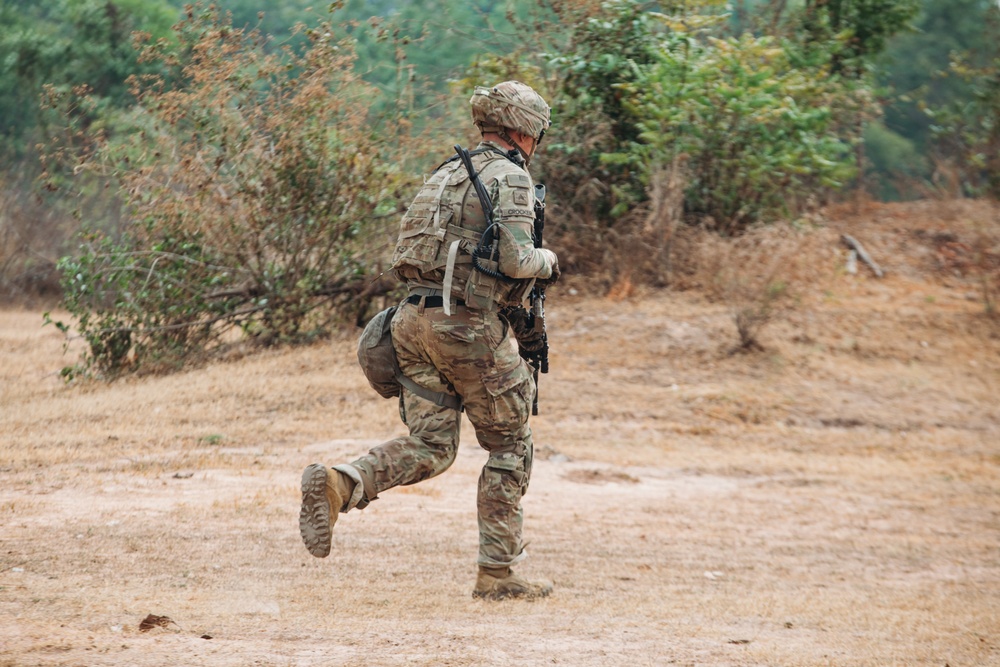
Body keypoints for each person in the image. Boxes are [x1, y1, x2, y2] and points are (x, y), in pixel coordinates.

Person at [298, 81, 560, 600]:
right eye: (536, 134)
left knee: (433, 445)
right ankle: (498, 575)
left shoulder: (445, 173)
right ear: (522, 130)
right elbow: (515, 260)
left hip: (410, 323)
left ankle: (340, 482)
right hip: (467, 326)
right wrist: (548, 261)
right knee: (510, 445)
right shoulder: (509, 176)